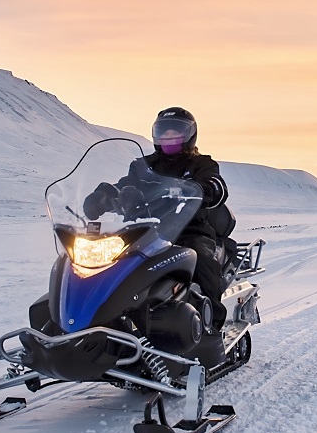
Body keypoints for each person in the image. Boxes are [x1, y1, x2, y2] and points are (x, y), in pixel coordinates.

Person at [90, 107, 231, 328]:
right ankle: (102, 318)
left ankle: (211, 323)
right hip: (144, 229)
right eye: (164, 132)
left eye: (176, 131)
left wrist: (205, 189)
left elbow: (217, 185)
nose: (169, 136)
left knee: (201, 260)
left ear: (190, 135)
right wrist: (104, 195)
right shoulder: (142, 166)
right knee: (107, 264)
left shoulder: (202, 164)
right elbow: (125, 186)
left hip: (189, 229)